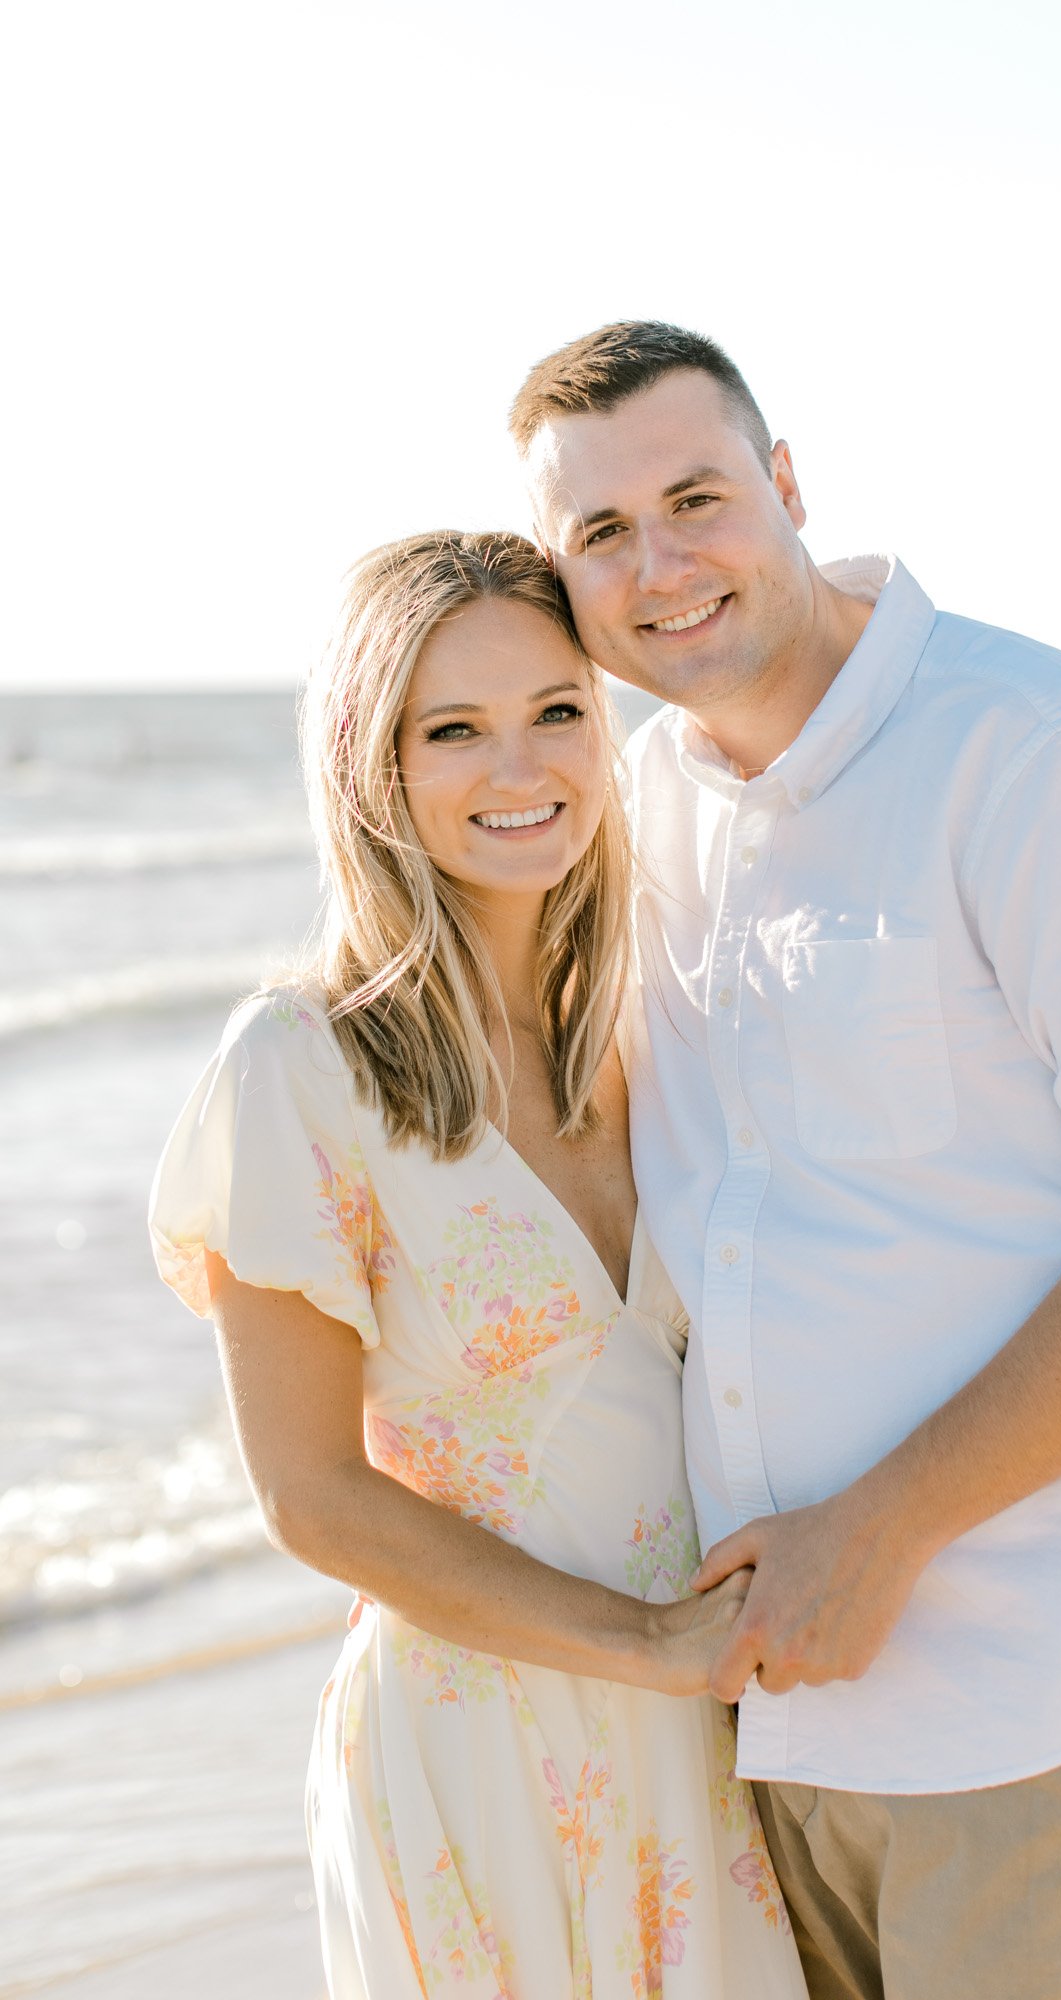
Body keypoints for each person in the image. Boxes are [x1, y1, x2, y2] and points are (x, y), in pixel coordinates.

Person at [508, 322, 1061, 2000]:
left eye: (695, 498)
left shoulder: (1026, 751)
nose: (659, 566)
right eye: (600, 535)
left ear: (786, 485)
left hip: (1057, 1686)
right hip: (787, 1725)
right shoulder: (640, 804)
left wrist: (880, 1530)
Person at [149, 532, 808, 1998]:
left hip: (707, 1740)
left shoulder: (655, 1033)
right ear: (371, 767)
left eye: (554, 711)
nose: (519, 768)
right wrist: (645, 1643)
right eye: (452, 729)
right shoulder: (300, 1071)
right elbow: (309, 1493)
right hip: (484, 1752)